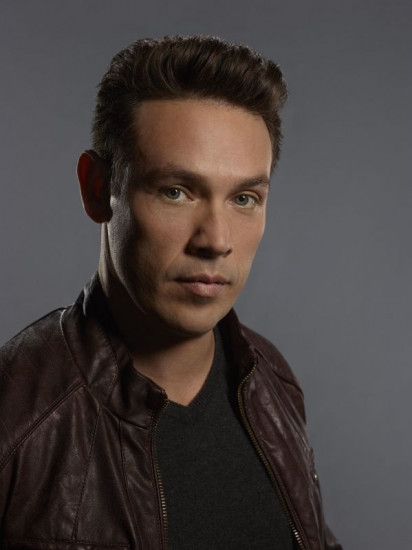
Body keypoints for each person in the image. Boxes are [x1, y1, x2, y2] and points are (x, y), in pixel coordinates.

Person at [0, 35, 341, 549]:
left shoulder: (271, 380)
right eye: (176, 191)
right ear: (97, 188)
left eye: (244, 198)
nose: (216, 241)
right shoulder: (16, 420)